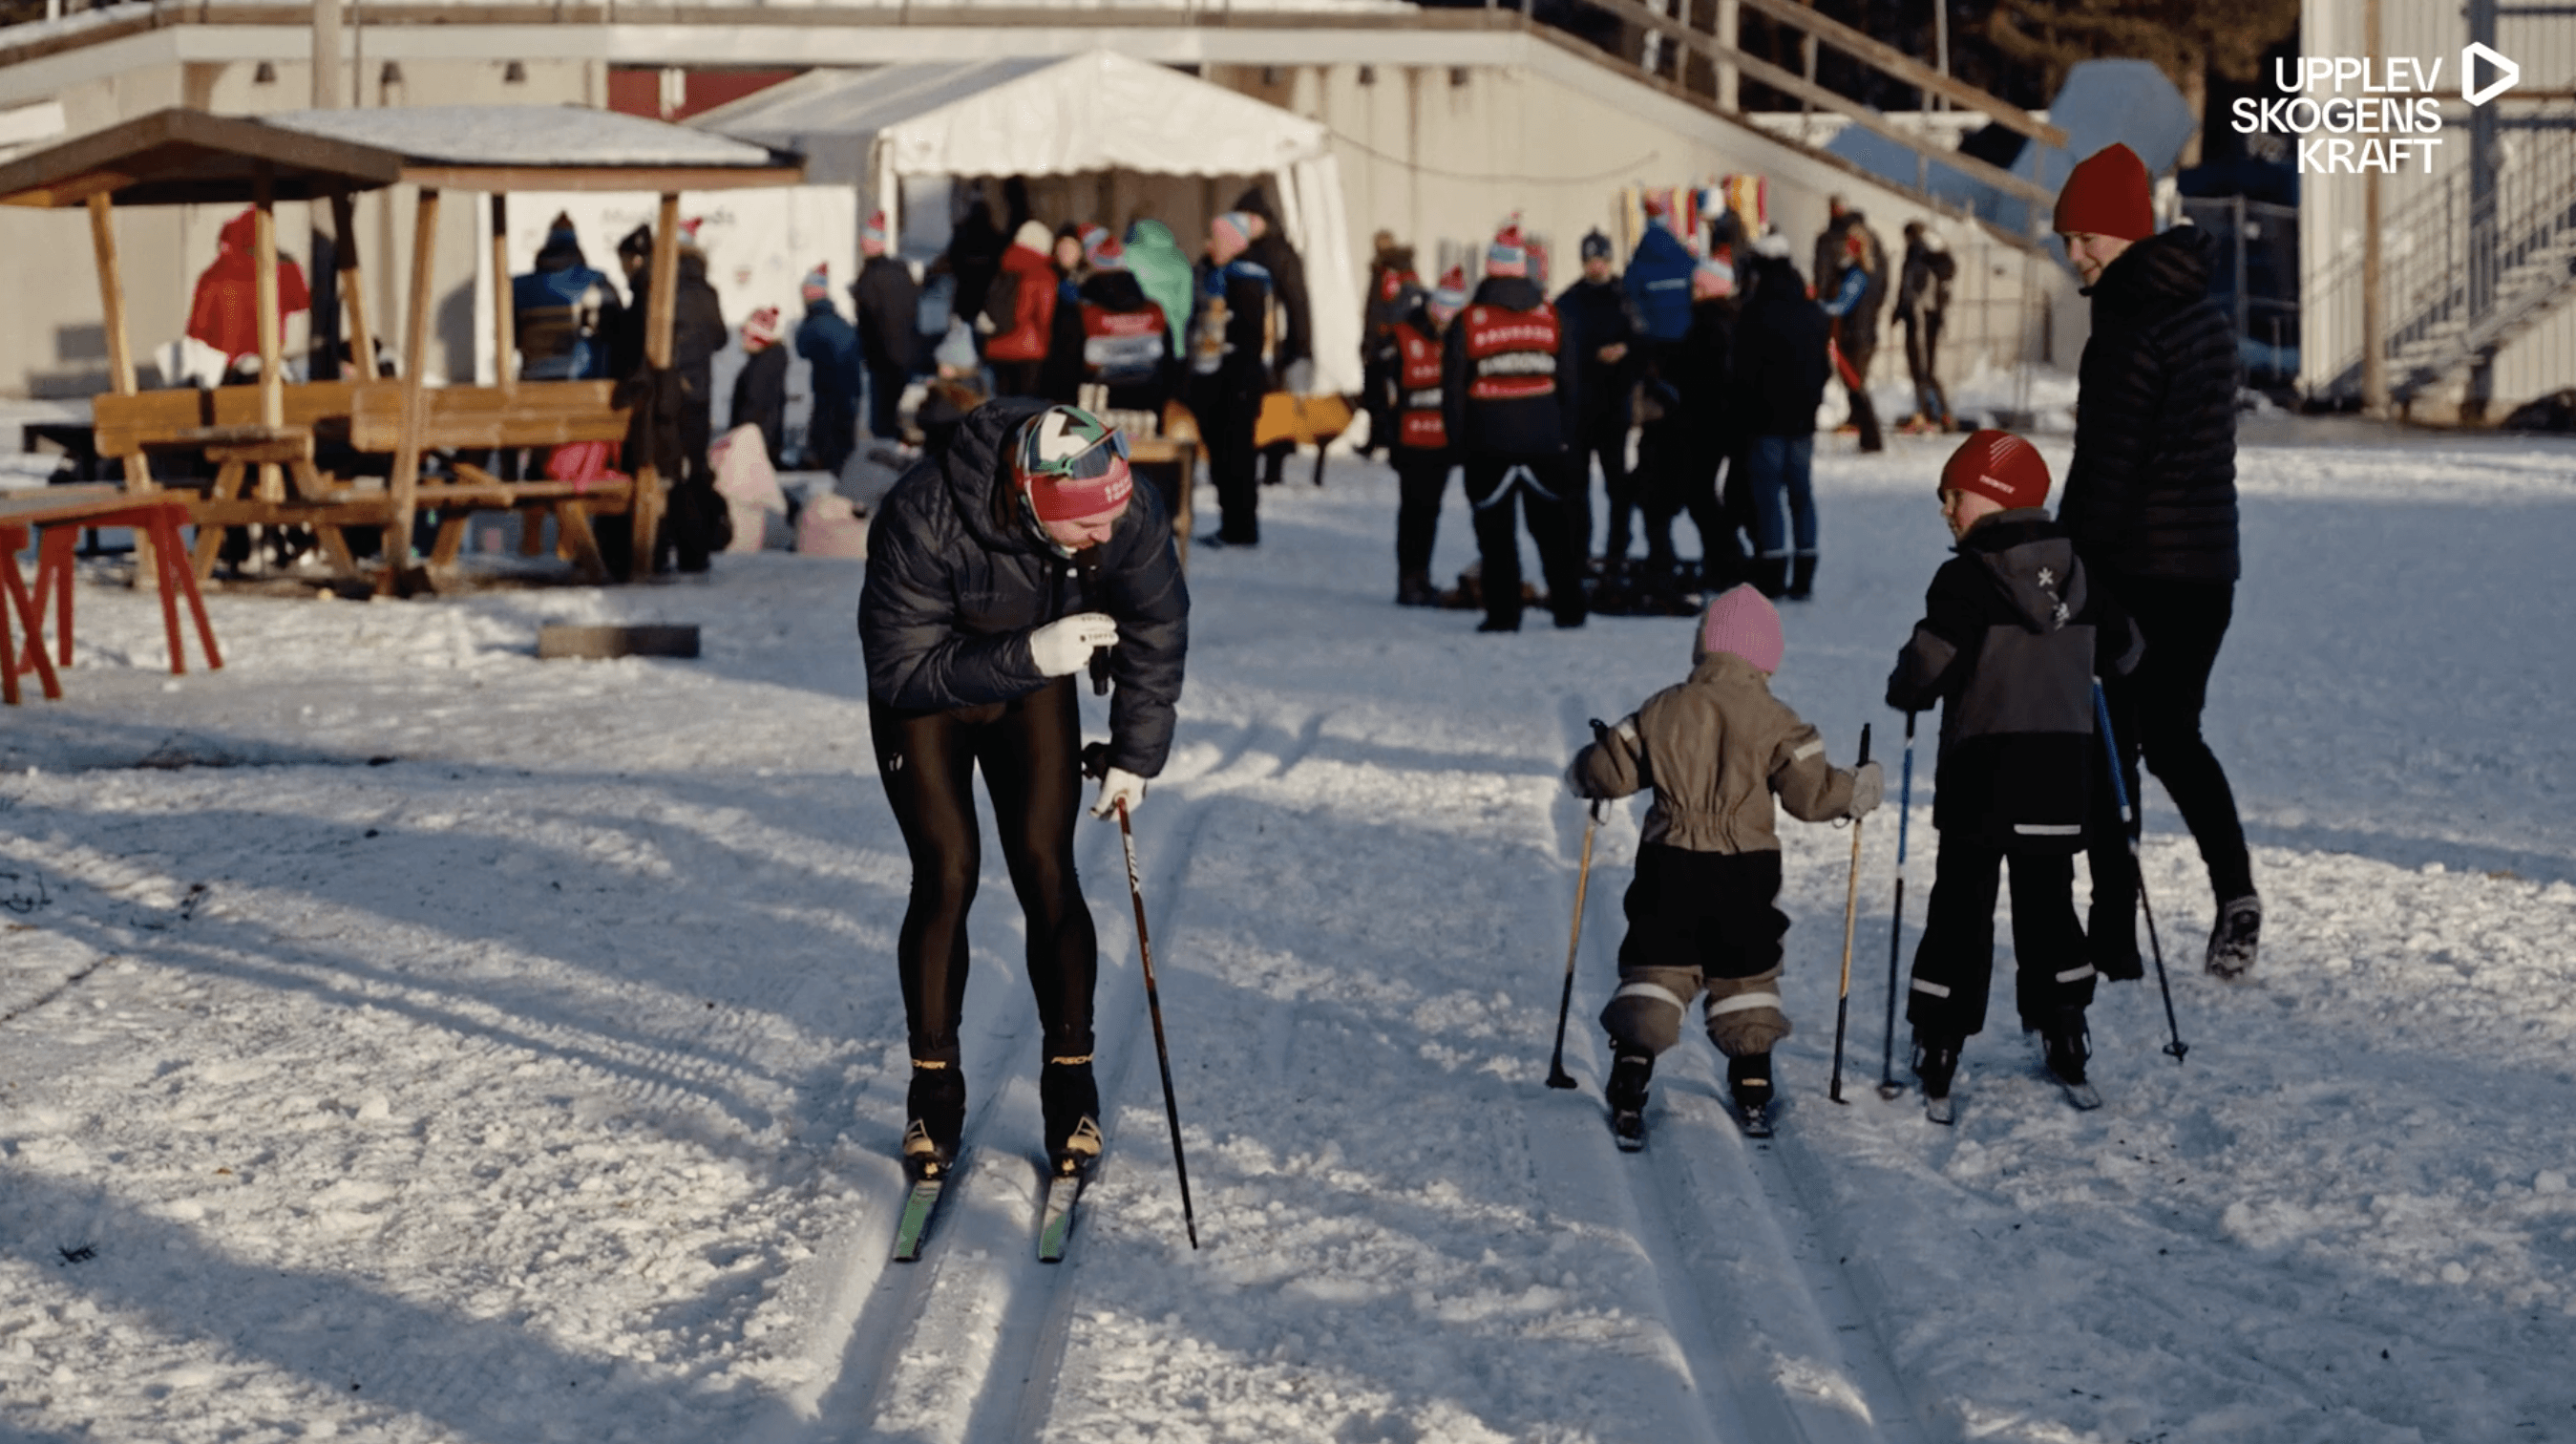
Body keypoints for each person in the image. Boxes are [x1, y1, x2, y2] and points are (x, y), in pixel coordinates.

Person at [857, 400, 1190, 1179]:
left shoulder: (1119, 503)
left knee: (1047, 867)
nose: (1105, 536)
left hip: (1035, 678)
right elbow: (901, 670)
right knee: (948, 873)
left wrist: (1136, 754)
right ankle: (932, 1094)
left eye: (1111, 518)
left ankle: (1070, 1083)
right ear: (1037, 510)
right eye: (1085, 530)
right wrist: (1031, 653)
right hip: (926, 695)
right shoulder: (920, 514)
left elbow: (1157, 621)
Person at [1567, 583, 1882, 1142]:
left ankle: (1634, 1064)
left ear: (1703, 649)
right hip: (1745, 868)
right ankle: (1753, 1075)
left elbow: (1611, 771)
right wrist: (1855, 789)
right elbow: (1811, 796)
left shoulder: (1660, 709)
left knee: (1658, 961)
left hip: (1670, 863)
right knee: (1745, 968)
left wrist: (1584, 769)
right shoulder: (1780, 721)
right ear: (1766, 658)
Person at [2052, 141, 2262, 980]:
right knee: (2175, 738)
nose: (2075, 254)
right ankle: (2235, 893)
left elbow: (2108, 470)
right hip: (2209, 570)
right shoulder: (2202, 316)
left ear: (2129, 235)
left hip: (2137, 570)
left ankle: (2112, 932)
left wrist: (2065, 565)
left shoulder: (2128, 330)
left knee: (2112, 746)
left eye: (2087, 238)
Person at [1884, 430, 2142, 1113]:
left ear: (1992, 497)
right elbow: (2127, 651)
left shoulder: (1965, 580)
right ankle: (2064, 1024)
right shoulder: (2081, 571)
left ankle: (1940, 1035)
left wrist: (1906, 686)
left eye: (1955, 497)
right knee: (2047, 898)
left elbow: (1928, 664)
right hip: (2061, 772)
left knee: (1960, 905)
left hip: (1980, 772)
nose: (1947, 511)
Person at [1443, 223, 1587, 632]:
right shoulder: (1551, 317)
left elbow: (1453, 389)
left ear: (1489, 270)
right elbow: (1570, 385)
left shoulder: (1469, 321)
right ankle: (1569, 607)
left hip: (1488, 443)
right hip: (1545, 442)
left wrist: (1458, 444)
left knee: (1496, 536)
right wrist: (1565, 435)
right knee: (1554, 531)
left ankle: (1504, 613)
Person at [1625, 256, 1742, 614]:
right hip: (1715, 426)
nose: (1692, 293)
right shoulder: (1727, 321)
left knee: (1690, 497)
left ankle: (1719, 564)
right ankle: (1723, 563)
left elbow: (1697, 373)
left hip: (1702, 427)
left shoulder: (1710, 324)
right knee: (1700, 498)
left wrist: (1660, 364)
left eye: (1697, 286)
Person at [1729, 232, 1831, 600]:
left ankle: (1773, 572)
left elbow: (1742, 373)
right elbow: (1824, 368)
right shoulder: (1813, 313)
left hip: (1764, 422)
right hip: (1803, 421)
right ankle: (1805, 574)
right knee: (1802, 496)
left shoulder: (1754, 315)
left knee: (1768, 498)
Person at [1187, 211, 1274, 547]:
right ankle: (1232, 522)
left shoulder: (1247, 278)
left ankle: (1241, 528)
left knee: (1237, 456)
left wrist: (1236, 377)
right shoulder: (1218, 273)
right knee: (1224, 455)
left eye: (1220, 238)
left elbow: (1251, 339)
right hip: (1219, 378)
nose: (1212, 244)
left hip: (1238, 380)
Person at [1555, 230, 1639, 575]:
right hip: (1579, 408)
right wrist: (1593, 355)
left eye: (1602, 260)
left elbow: (1641, 338)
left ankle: (1617, 549)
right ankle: (1577, 553)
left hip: (1614, 406)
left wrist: (1626, 351)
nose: (1597, 267)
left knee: (1617, 482)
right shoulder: (1569, 301)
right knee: (1576, 486)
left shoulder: (1625, 296)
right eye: (1591, 261)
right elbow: (1562, 352)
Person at [1388, 266, 1465, 606]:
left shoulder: (1458, 338)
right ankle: (1408, 578)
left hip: (1442, 441)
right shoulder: (1404, 334)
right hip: (1411, 439)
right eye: (1440, 307)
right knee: (1412, 511)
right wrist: (1388, 435)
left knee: (1430, 511)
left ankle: (1423, 575)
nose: (1444, 316)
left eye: (1451, 309)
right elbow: (1383, 389)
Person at [1232, 188, 1313, 488]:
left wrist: (1300, 347)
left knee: (1276, 408)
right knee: (1255, 407)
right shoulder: (1249, 251)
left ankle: (1274, 468)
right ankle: (1255, 463)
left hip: (1276, 344)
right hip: (1254, 342)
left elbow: (1297, 302)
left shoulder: (1279, 252)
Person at [187, 207, 312, 371]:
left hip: (226, 369)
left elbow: (196, 331)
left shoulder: (213, 275)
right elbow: (304, 304)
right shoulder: (284, 267)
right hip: (272, 364)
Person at [512, 212, 622, 381]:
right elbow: (617, 334)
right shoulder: (596, 281)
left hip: (534, 378)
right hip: (585, 380)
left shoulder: (519, 286)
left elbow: (512, 338)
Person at [1817, 202, 1889, 454]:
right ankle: (1867, 434)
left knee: (1856, 387)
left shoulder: (1858, 275)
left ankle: (1871, 437)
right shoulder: (1865, 272)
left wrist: (1816, 305)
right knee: (1855, 387)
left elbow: (1841, 305)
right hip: (1862, 335)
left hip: (1856, 337)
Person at [852, 211, 923, 442]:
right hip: (907, 351)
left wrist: (866, 351)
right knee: (900, 412)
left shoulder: (870, 277)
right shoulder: (902, 272)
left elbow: (869, 319)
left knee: (882, 418)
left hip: (881, 355)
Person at [794, 264, 861, 476]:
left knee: (826, 434)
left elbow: (802, 348)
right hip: (849, 386)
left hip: (829, 387)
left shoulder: (815, 323)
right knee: (844, 434)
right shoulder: (839, 321)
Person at [982, 220, 1061, 397]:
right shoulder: (1044, 274)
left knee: (1002, 403)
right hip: (1029, 348)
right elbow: (1044, 316)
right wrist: (1048, 344)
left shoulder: (1004, 265)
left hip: (997, 345)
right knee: (1026, 405)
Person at [1360, 232, 1422, 459]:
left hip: (1387, 340)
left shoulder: (1392, 271)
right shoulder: (1383, 269)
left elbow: (1390, 306)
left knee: (1387, 392)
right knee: (1378, 392)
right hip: (1379, 338)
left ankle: (1389, 439)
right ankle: (1378, 438)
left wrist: (1386, 333)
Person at [1894, 221, 1956, 433]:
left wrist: (1906, 308)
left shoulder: (1920, 254)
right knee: (1924, 369)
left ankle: (1932, 414)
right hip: (1924, 317)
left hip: (1921, 317)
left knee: (1922, 369)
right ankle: (1936, 414)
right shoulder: (1921, 254)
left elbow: (1915, 287)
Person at [1122, 219, 1195, 363]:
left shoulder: (1127, 256)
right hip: (1176, 343)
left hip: (1139, 343)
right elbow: (1186, 307)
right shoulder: (1180, 260)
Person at [729, 306, 789, 466]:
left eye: (745, 334)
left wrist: (740, 450)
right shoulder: (768, 361)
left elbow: (754, 411)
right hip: (761, 449)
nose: (741, 339)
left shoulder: (762, 367)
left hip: (754, 452)